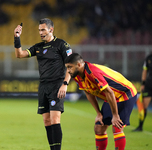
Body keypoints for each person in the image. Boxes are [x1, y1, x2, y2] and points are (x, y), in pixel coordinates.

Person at [14, 18, 72, 150]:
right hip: (43, 87)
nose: (40, 32)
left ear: (51, 30)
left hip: (57, 86)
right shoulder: (38, 47)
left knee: (55, 119)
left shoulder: (61, 45)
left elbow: (71, 65)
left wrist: (65, 84)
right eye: (39, 30)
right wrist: (17, 38)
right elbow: (20, 54)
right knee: (47, 121)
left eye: (43, 30)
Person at [65, 53, 137, 150]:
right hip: (111, 97)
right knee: (99, 128)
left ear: (79, 65)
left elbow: (109, 92)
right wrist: (98, 113)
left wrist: (115, 115)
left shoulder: (92, 73)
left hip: (125, 93)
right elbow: (88, 93)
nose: (68, 71)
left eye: (70, 67)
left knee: (117, 126)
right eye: (67, 67)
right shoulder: (77, 75)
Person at [133, 53, 152, 131]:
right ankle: (140, 126)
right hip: (149, 84)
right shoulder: (149, 57)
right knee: (144, 106)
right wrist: (143, 83)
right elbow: (145, 70)